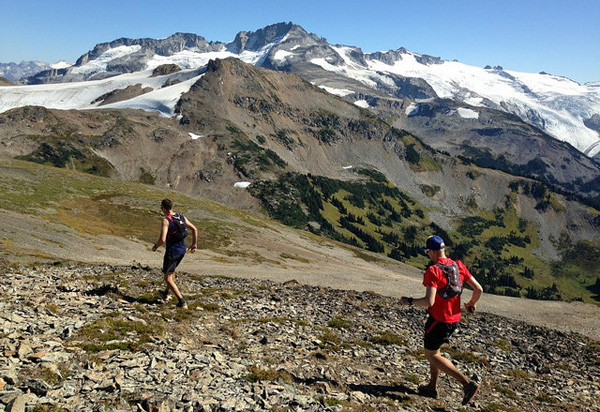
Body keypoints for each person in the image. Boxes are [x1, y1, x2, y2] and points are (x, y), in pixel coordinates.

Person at [401, 235, 483, 406]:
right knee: (435, 351)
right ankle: (432, 387)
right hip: (454, 319)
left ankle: (467, 384)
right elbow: (478, 289)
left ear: (431, 252)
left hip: (439, 319)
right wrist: (470, 304)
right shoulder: (458, 265)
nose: (428, 255)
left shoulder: (433, 271)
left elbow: (428, 301)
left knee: (431, 354)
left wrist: (409, 301)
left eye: (428, 252)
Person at [152, 198, 198, 309]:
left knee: (167, 278)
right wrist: (194, 244)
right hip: (182, 250)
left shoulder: (166, 220)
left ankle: (182, 302)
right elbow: (195, 229)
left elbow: (162, 239)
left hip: (172, 251)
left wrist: (155, 246)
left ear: (163, 208)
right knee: (171, 272)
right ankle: (166, 293)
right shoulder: (181, 216)